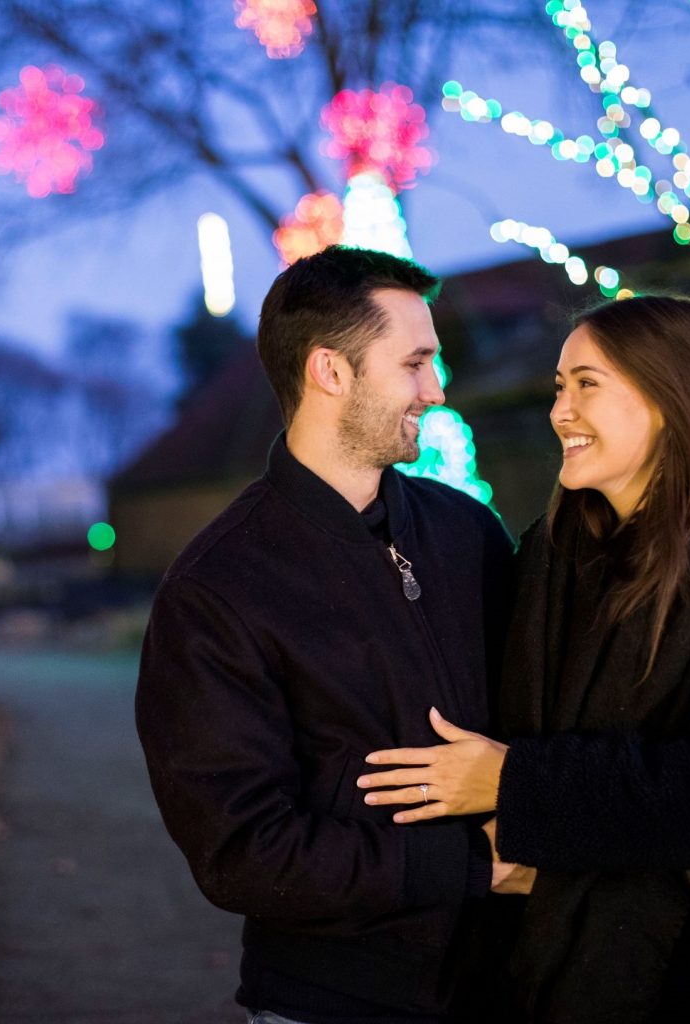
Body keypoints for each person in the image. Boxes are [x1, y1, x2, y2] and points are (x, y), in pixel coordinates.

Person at [356, 295, 690, 1023]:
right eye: (560, 386)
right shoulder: (549, 556)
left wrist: (512, 783)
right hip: (538, 966)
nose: (562, 411)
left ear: (669, 397)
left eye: (588, 383)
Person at [135, 246, 517, 1024]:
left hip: (508, 987)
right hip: (333, 999)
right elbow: (243, 853)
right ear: (329, 372)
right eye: (415, 363)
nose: (438, 390)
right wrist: (476, 865)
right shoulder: (218, 587)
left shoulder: (466, 532)